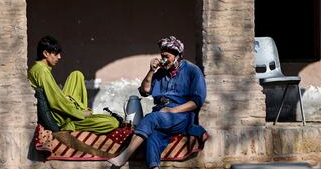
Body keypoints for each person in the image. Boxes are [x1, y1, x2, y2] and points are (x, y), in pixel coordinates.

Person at [108, 36, 208, 169]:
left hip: (181, 115)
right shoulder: (161, 72)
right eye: (162, 56)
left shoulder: (192, 71)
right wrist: (151, 71)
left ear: (177, 55)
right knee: (152, 137)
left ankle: (124, 155)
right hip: (161, 114)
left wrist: (173, 110)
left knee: (151, 118)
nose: (164, 59)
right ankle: (154, 167)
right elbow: (144, 91)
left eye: (167, 56)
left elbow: (197, 101)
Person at [28, 35, 119, 134]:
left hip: (64, 108)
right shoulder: (42, 71)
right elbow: (55, 102)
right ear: (46, 53)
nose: (59, 57)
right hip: (62, 119)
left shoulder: (38, 68)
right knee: (112, 122)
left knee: (76, 75)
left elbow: (56, 97)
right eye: (56, 54)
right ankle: (79, 115)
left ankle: (80, 110)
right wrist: (80, 114)